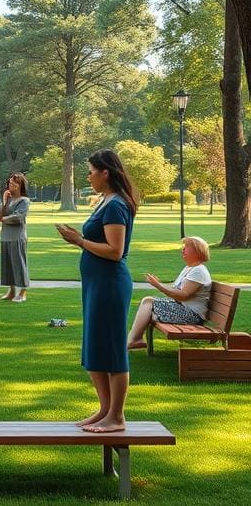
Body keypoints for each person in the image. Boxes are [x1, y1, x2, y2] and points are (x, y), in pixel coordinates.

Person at [55, 149, 136, 434]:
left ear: (105, 172)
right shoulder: (105, 202)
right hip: (96, 284)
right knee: (95, 346)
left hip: (110, 284)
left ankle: (116, 416)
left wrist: (78, 240)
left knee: (112, 349)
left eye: (90, 171)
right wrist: (77, 238)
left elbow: (115, 251)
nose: (88, 176)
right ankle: (104, 409)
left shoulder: (115, 206)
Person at [127, 236, 212, 350]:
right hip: (183, 309)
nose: (183, 249)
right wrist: (159, 285)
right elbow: (177, 293)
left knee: (148, 303)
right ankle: (134, 339)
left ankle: (134, 339)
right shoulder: (189, 268)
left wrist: (158, 285)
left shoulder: (198, 271)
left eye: (186, 247)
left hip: (192, 316)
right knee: (147, 303)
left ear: (197, 251)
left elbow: (182, 295)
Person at [0, 172, 30, 303]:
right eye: (10, 183)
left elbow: (18, 217)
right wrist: (3, 202)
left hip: (17, 237)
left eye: (14, 183)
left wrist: (3, 219)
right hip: (6, 237)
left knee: (19, 265)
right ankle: (11, 291)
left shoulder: (24, 201)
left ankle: (23, 292)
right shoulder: (8, 200)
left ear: (21, 186)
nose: (11, 185)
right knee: (8, 266)